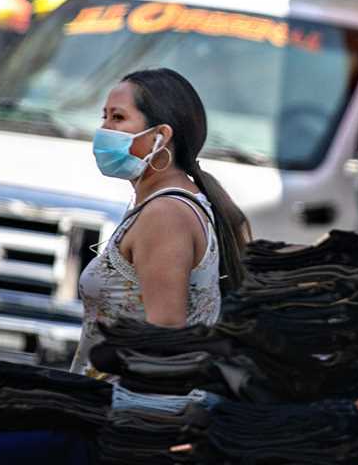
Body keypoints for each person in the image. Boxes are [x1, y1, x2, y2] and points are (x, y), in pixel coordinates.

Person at [70, 68, 250, 376]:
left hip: (127, 412)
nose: (104, 129)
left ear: (160, 136)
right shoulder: (163, 205)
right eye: (104, 117)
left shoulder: (166, 215)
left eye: (118, 118)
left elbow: (164, 334)